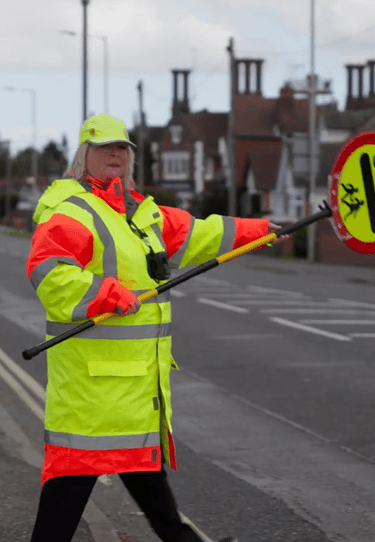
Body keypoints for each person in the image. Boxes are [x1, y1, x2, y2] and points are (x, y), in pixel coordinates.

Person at [26, 114, 283, 542]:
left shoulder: (141, 213)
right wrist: (105, 293)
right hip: (92, 387)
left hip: (134, 384)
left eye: (122, 148)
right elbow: (49, 273)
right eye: (105, 147)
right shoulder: (70, 211)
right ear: (83, 155)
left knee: (139, 466)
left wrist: (259, 230)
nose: (115, 154)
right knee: (75, 475)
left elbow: (200, 234)